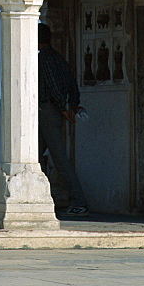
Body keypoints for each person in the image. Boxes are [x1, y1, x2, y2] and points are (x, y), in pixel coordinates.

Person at [38, 22, 88, 215]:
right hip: (49, 112)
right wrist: (73, 103)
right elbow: (70, 82)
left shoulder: (45, 59)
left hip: (48, 111)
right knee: (31, 158)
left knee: (60, 159)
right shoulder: (57, 57)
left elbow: (55, 87)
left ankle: (79, 201)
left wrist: (63, 107)